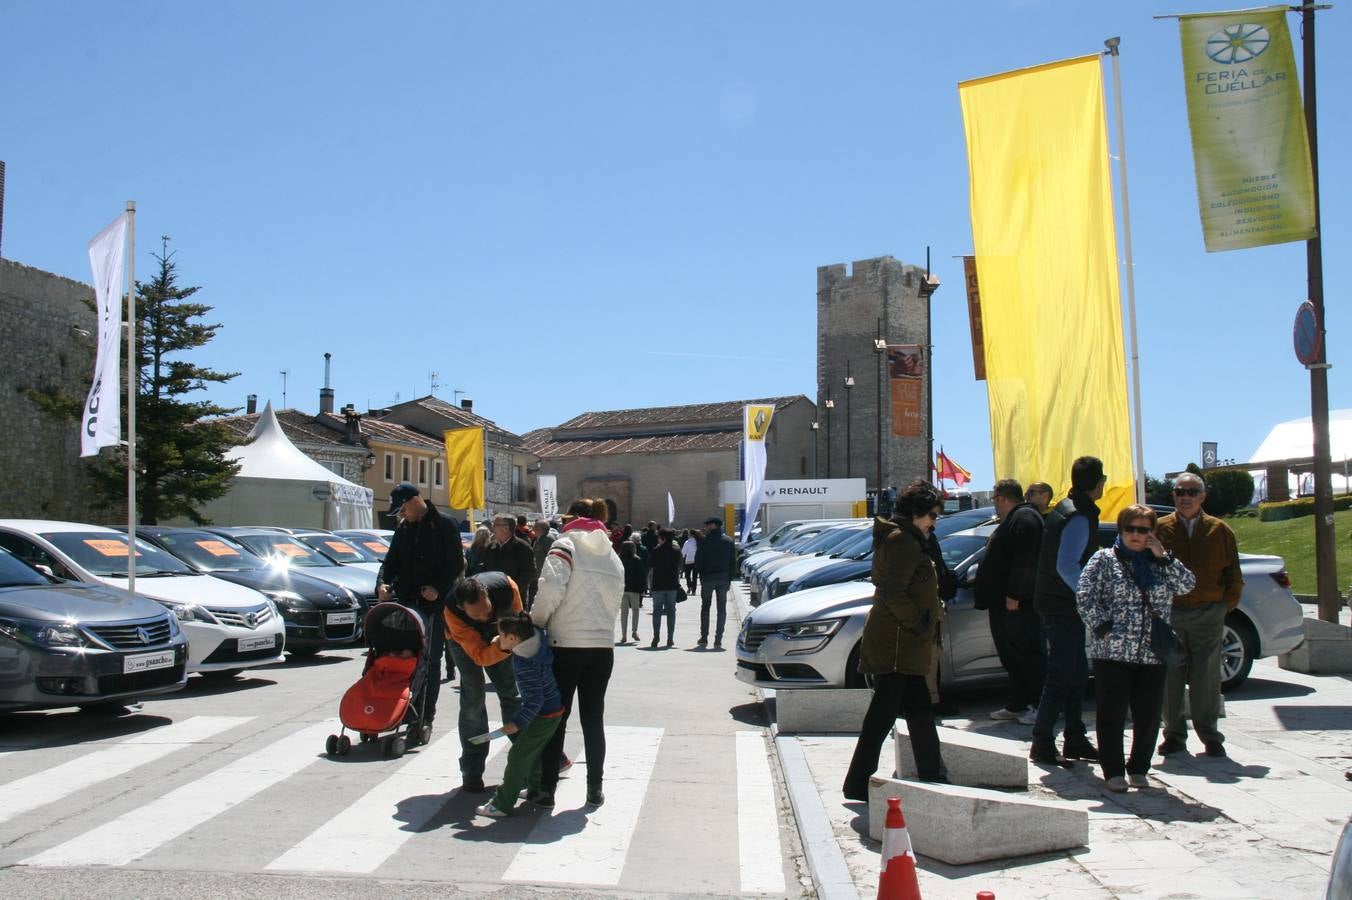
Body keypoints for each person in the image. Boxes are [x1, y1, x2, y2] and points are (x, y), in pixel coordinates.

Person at [1077, 505, 1196, 791]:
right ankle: (1114, 771)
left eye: (1142, 530)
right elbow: (1084, 595)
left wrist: (1164, 557)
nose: (1135, 535)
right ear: (1121, 530)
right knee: (1111, 714)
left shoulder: (1161, 563)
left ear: (1151, 534)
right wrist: (1102, 626)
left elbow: (1187, 585)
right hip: (1113, 652)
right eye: (1129, 528)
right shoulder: (1104, 559)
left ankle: (1139, 767)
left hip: (1151, 652)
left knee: (1148, 715)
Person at [842, 481, 949, 800]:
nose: (935, 521)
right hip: (898, 643)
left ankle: (931, 772)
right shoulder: (903, 540)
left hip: (905, 643)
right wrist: (917, 622)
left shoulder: (912, 538)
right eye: (932, 514)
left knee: (916, 711)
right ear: (916, 513)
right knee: (884, 714)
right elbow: (891, 590)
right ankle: (860, 781)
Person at [531, 498, 624, 808]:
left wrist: (537, 622)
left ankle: (547, 789)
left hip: (566, 644)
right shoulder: (612, 555)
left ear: (570, 518)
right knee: (593, 719)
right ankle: (594, 788)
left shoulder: (564, 545)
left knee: (556, 717)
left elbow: (549, 588)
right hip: (602, 646)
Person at [1155, 473, 1243, 758]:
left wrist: (1224, 605)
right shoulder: (1159, 529)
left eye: (1192, 491)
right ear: (1173, 496)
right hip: (1172, 613)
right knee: (1171, 675)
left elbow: (1234, 574)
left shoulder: (1220, 531)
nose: (1186, 497)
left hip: (1209, 612)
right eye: (1180, 491)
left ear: (1203, 496)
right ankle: (1174, 735)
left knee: (1206, 675)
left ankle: (1210, 735)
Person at [1030, 456, 1104, 766]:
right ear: (1097, 483)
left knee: (1076, 673)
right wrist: (1089, 596)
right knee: (1062, 675)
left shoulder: (1065, 507)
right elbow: (1067, 565)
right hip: (1062, 605)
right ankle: (1042, 742)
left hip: (1057, 602)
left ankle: (1075, 737)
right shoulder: (1078, 516)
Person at [376, 481, 464, 734]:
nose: (401, 515)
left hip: (433, 606)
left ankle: (425, 714)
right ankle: (402, 708)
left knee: (430, 660)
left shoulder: (445, 525)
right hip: (406, 602)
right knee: (403, 656)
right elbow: (390, 562)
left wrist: (437, 587)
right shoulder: (404, 529)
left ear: (415, 501)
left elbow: (456, 563)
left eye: (402, 509)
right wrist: (382, 584)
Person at [475, 612, 564, 817]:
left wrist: (516, 723)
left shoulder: (524, 662)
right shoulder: (536, 641)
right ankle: (533, 789)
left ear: (514, 639)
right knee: (529, 753)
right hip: (550, 710)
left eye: (501, 636)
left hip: (544, 715)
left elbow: (535, 700)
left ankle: (502, 803)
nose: (497, 639)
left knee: (517, 756)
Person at [975, 479, 1045, 725]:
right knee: (1012, 657)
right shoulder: (1013, 520)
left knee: (1028, 656)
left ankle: (1038, 706)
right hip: (1004, 604)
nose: (994, 504)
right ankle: (1018, 703)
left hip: (1018, 605)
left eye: (995, 499)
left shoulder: (1024, 518)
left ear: (1003, 498)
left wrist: (1016, 593)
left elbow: (1027, 561)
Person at [444, 574, 523, 793]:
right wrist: (504, 647)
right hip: (462, 644)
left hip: (501, 634)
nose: (483, 616)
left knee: (512, 694)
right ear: (462, 607)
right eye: (476, 613)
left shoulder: (508, 587)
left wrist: (509, 641)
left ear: (487, 595)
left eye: (486, 609)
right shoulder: (452, 612)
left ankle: (527, 759)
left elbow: (518, 627)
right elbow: (479, 655)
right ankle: (472, 769)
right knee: (473, 698)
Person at [694, 516, 736, 649]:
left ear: (713, 525)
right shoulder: (728, 541)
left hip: (707, 577)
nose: (705, 527)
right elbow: (732, 561)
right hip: (723, 577)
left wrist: (700, 574)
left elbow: (698, 560)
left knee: (705, 607)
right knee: (721, 609)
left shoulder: (704, 541)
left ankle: (704, 637)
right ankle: (718, 639)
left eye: (707, 525)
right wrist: (730, 578)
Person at [481, 515, 536, 593]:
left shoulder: (523, 547)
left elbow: (530, 573)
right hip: (493, 596)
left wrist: (513, 591)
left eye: (495, 525)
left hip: (514, 599)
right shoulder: (490, 547)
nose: (492, 528)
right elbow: (484, 568)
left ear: (506, 528)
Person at [648, 528, 682, 648]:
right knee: (671, 612)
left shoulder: (656, 551)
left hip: (658, 585)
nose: (657, 539)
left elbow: (651, 566)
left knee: (657, 611)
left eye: (659, 537)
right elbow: (679, 567)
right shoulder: (676, 551)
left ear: (663, 538)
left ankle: (656, 637)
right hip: (672, 585)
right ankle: (670, 638)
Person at [618, 541, 645, 644]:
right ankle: (634, 631)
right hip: (634, 589)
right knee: (635, 610)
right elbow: (642, 575)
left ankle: (624, 635)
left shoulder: (619, 559)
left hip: (622, 589)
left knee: (624, 613)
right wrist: (642, 588)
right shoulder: (637, 560)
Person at [529, 519, 555, 611]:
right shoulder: (540, 538)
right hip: (536, 574)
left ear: (542, 528)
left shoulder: (548, 539)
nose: (533, 528)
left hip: (542, 575)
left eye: (536, 527)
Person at [681, 528, 699, 594]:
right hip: (696, 561)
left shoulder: (687, 542)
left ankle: (689, 586)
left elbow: (683, 553)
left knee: (687, 576)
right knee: (695, 577)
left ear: (690, 535)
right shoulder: (698, 542)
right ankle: (694, 591)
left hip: (688, 561)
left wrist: (681, 560)